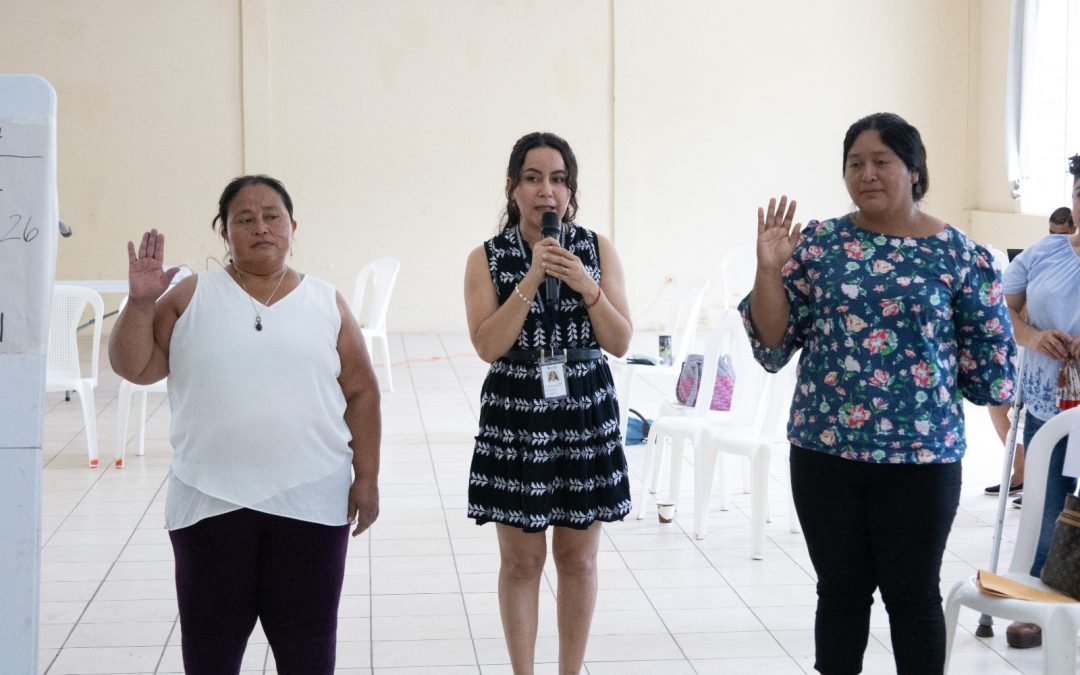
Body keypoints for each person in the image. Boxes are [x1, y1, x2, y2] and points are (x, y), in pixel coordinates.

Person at [741, 112, 1015, 675]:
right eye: (854, 164)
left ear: (915, 171)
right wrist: (770, 270)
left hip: (921, 459)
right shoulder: (821, 244)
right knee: (839, 593)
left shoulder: (959, 255)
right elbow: (772, 343)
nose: (866, 174)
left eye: (881, 161)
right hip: (824, 453)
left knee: (912, 596)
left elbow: (990, 370)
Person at [108, 175, 381, 674]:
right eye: (244, 218)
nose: (261, 227)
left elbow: (362, 392)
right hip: (209, 502)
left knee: (308, 653)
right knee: (211, 655)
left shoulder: (325, 301)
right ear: (224, 230)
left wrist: (366, 479)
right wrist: (142, 303)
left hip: (311, 503)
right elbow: (135, 367)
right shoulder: (190, 297)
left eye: (272, 216)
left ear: (293, 226)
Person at [463, 132, 633, 674]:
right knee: (521, 562)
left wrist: (587, 286)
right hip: (516, 412)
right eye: (533, 178)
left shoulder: (598, 249)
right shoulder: (486, 258)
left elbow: (621, 340)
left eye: (558, 179)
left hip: (583, 410)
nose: (546, 191)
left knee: (578, 559)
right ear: (512, 188)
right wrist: (533, 276)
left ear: (571, 191)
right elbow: (488, 345)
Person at [1000, 154, 1080, 649]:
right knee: (1047, 502)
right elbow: (999, 313)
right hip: (1051, 402)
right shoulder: (1045, 254)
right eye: (1079, 193)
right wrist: (1029, 336)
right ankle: (1036, 595)